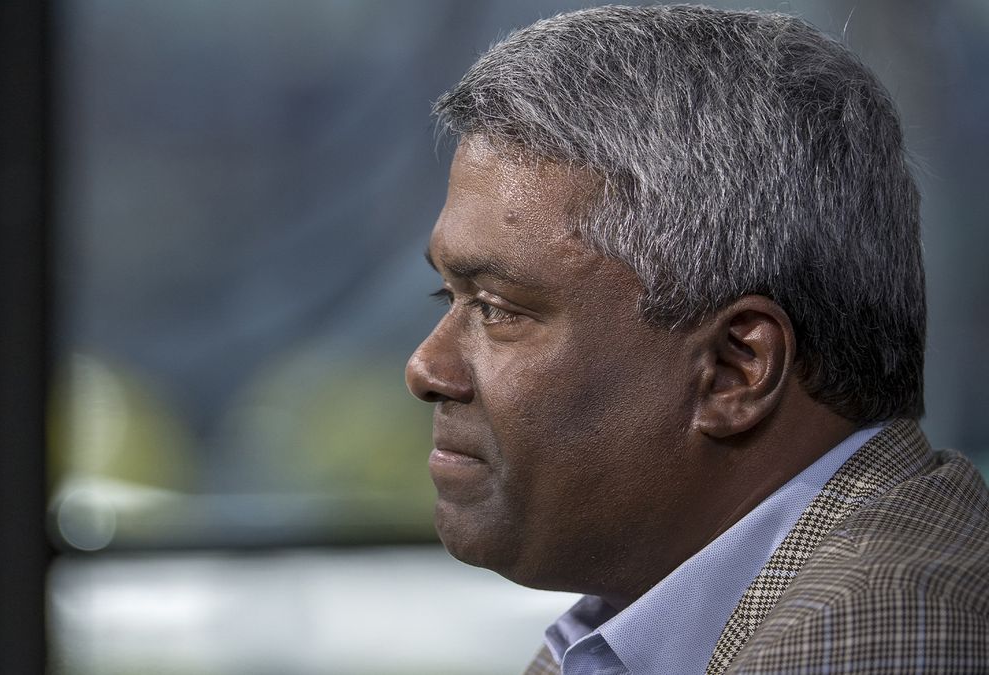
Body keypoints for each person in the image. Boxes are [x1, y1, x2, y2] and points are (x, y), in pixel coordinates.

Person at [403, 5, 989, 674]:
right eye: (447, 297)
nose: (427, 366)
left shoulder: (880, 638)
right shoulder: (649, 621)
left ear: (736, 369)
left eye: (499, 308)